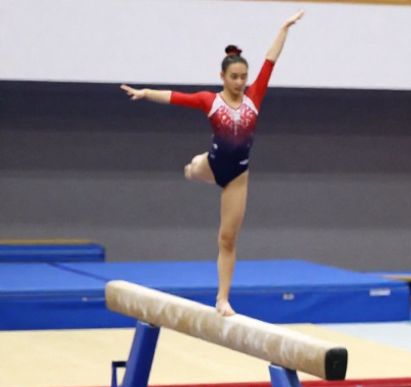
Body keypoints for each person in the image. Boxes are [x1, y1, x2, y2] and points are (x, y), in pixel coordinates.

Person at [120, 11, 304, 316]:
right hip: (213, 164)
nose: (241, 82)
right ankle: (192, 167)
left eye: (244, 76)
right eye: (234, 77)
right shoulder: (210, 100)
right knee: (194, 170)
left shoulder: (254, 97)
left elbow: (271, 59)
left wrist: (283, 28)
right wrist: (144, 92)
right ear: (223, 77)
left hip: (237, 176)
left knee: (227, 238)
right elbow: (175, 97)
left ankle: (222, 299)